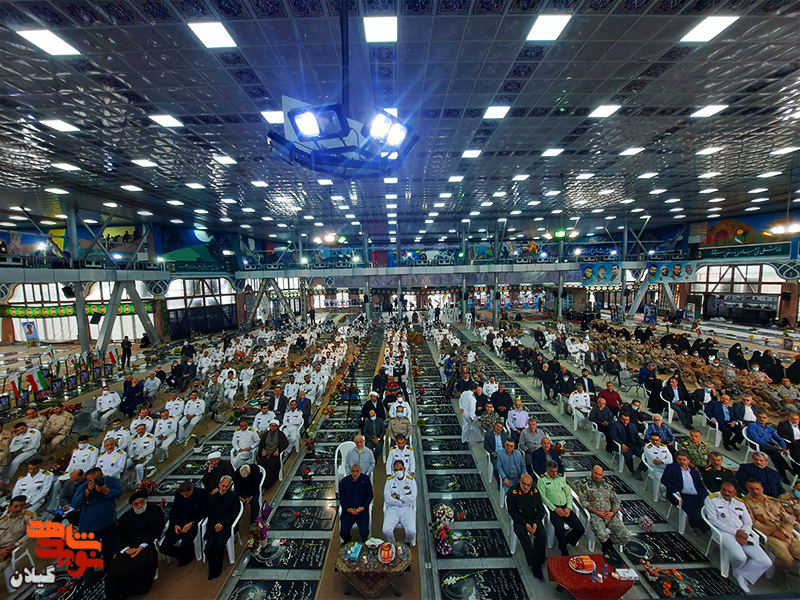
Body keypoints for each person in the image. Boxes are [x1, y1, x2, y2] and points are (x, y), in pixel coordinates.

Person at [704, 482, 772, 593]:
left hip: (742, 533)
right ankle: (737, 570)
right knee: (741, 557)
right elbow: (713, 520)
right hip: (724, 532)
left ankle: (742, 573)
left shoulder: (739, 502)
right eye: (724, 490)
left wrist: (744, 533)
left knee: (765, 561)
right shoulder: (712, 499)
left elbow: (748, 522)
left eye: (730, 491)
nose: (726, 493)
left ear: (734, 492)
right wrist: (736, 532)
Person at [105, 490, 164, 600]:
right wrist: (126, 549)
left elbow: (155, 530)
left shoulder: (154, 511)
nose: (140, 505)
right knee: (114, 572)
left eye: (141, 502)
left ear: (145, 500)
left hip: (146, 544)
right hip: (129, 546)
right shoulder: (126, 517)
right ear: (132, 505)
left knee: (140, 565)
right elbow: (119, 535)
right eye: (136, 504)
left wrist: (141, 547)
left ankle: (139, 589)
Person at [71, 467, 123, 580]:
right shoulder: (82, 488)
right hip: (89, 527)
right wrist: (87, 492)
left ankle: (109, 571)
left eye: (96, 479)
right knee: (88, 553)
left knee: (109, 548)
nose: (94, 482)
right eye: (90, 481)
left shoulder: (111, 481)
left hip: (108, 523)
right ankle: (88, 578)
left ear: (102, 475)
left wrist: (106, 490)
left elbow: (119, 493)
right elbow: (74, 503)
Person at [743, 479, 800, 574]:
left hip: (786, 534)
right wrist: (773, 532)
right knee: (786, 559)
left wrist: (784, 532)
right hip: (770, 536)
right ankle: (779, 575)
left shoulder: (772, 501)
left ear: (762, 488)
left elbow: (787, 520)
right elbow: (752, 522)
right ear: (747, 488)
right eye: (752, 489)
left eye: (757, 489)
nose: (755, 491)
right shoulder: (745, 503)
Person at [576, 466, 629, 562]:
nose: (597, 476)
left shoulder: (607, 485)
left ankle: (608, 544)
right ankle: (606, 546)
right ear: (592, 472)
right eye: (595, 473)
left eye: (600, 474)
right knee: (601, 533)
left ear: (603, 475)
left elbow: (616, 501)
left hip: (610, 515)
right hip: (596, 514)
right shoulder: (584, 484)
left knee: (625, 536)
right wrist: (597, 512)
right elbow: (584, 502)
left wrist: (612, 512)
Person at [537, 461, 585, 556]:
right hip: (553, 508)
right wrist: (554, 508)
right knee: (560, 529)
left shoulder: (561, 479)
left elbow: (568, 494)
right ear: (547, 470)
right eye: (552, 471)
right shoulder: (542, 480)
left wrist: (568, 507)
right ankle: (564, 550)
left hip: (565, 507)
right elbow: (542, 497)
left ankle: (564, 542)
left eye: (556, 471)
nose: (555, 473)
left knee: (580, 529)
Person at [506, 473, 546, 579]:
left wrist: (535, 523)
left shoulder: (535, 492)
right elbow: (512, 512)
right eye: (524, 484)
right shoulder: (512, 492)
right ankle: (535, 564)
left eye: (528, 485)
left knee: (542, 535)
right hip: (520, 519)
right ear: (520, 482)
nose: (526, 487)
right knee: (524, 537)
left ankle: (539, 559)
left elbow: (541, 510)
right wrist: (525, 524)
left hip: (533, 519)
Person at [661, 451, 710, 534]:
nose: (682, 461)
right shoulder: (671, 468)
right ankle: (707, 529)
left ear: (688, 461)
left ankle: (695, 525)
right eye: (679, 459)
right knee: (694, 514)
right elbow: (664, 480)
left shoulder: (694, 472)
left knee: (707, 513)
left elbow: (700, 486)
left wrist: (706, 497)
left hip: (696, 496)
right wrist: (676, 491)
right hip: (682, 496)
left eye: (684, 459)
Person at [160, 482, 208, 566]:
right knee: (164, 548)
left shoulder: (201, 494)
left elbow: (203, 512)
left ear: (191, 489)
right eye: (183, 495)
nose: (185, 497)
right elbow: (173, 512)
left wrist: (191, 523)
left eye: (187, 494)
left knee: (185, 545)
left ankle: (187, 556)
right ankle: (182, 555)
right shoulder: (178, 495)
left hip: (192, 524)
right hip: (178, 524)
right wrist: (175, 525)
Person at [205, 475, 240, 580]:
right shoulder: (212, 498)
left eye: (226, 486)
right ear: (219, 485)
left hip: (226, 526)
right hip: (214, 526)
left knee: (219, 547)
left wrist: (222, 524)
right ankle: (212, 569)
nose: (224, 488)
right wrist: (215, 524)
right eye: (223, 485)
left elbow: (234, 513)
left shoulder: (233, 496)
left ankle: (218, 568)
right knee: (208, 548)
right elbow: (210, 514)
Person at [747, 413, 794, 483]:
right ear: (757, 418)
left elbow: (778, 438)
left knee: (775, 456)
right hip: (757, 444)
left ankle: (783, 475)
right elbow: (756, 439)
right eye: (760, 417)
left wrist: (783, 447)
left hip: (768, 445)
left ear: (767, 419)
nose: (762, 419)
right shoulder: (753, 426)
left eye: (764, 418)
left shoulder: (770, 428)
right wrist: (771, 446)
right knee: (774, 452)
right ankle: (788, 470)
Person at [382, 460, 417, 545]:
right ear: (393, 470)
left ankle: (407, 544)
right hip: (392, 509)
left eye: (400, 469)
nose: (399, 471)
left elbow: (413, 497)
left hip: (407, 509)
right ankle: (393, 544)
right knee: (386, 530)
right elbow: (387, 499)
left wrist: (398, 497)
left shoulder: (411, 480)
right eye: (396, 470)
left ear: (404, 469)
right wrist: (403, 500)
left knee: (412, 531)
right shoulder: (389, 481)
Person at [339, 463, 373, 544]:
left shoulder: (366, 480)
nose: (355, 474)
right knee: (343, 532)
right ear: (350, 471)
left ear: (360, 471)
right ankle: (347, 541)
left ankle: (364, 542)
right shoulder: (344, 481)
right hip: (348, 511)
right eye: (353, 471)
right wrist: (348, 509)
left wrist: (363, 507)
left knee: (364, 531)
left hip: (361, 511)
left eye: (357, 471)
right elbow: (341, 498)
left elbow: (370, 496)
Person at [0, 496, 36, 569]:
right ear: (9, 508)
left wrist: (15, 546)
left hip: (13, 549)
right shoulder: (2, 520)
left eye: (22, 506)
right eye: (16, 506)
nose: (19, 509)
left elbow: (32, 533)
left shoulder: (29, 516)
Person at [609, 412, 646, 480]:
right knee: (628, 457)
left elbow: (637, 437)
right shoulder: (615, 425)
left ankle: (639, 470)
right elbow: (613, 436)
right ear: (620, 418)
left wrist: (642, 444)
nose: (625, 421)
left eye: (627, 420)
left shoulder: (632, 426)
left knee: (646, 455)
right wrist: (621, 444)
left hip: (633, 445)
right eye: (623, 419)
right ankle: (632, 470)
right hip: (624, 445)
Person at [257, 420, 289, 490]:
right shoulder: (266, 434)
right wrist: (263, 450)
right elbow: (262, 444)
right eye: (272, 426)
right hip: (266, 453)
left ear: (277, 427)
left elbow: (285, 443)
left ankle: (268, 483)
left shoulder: (280, 434)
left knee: (271, 465)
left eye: (275, 426)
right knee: (261, 464)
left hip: (274, 454)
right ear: (269, 426)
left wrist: (278, 450)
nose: (273, 428)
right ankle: (260, 482)